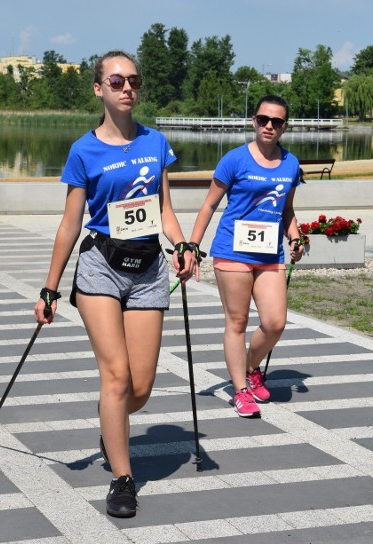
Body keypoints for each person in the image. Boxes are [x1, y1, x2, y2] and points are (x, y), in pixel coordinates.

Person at [34, 50, 196, 518]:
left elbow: (164, 209)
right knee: (117, 376)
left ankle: (112, 426)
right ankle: (122, 479)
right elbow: (69, 224)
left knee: (139, 388)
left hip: (147, 269)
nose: (128, 88)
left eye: (134, 81)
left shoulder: (156, 142)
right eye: (117, 80)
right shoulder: (84, 150)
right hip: (99, 266)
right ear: (99, 88)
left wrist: (183, 245)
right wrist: (49, 288)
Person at [187, 94, 304, 418]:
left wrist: (295, 237)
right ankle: (240, 390)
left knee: (275, 322)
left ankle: (252, 368)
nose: (269, 126)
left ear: (284, 126)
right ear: (254, 121)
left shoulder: (291, 163)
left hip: (269, 252)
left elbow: (287, 209)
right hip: (232, 250)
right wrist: (193, 247)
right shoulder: (235, 160)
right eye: (263, 120)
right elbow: (210, 204)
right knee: (237, 322)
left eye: (276, 121)